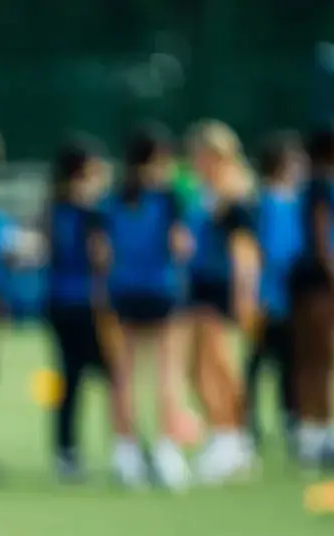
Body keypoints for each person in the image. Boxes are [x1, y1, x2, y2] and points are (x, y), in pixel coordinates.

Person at [100, 124, 197, 489]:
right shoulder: (170, 198)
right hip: (161, 290)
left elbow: (102, 253)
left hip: (123, 291)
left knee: (123, 375)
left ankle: (126, 454)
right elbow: (181, 245)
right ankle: (165, 451)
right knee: (167, 373)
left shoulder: (113, 199)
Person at [182, 120, 259, 484]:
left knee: (218, 362)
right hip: (198, 283)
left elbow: (243, 250)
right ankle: (220, 433)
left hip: (220, 285)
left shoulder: (234, 191)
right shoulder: (203, 191)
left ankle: (233, 438)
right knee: (195, 366)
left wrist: (245, 294)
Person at [41, 136, 116, 481]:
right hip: (86, 302)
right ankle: (123, 445)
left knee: (70, 376)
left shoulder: (53, 208)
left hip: (57, 302)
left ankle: (66, 450)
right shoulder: (92, 213)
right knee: (114, 373)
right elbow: (100, 258)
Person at [289, 127, 334, 471]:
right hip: (319, 281)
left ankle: (313, 434)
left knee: (313, 360)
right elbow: (321, 233)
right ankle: (321, 434)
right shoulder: (322, 186)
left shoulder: (318, 184)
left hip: (309, 280)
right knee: (321, 359)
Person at [246, 131, 305, 450]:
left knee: (287, 364)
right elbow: (269, 252)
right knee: (258, 363)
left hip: (289, 297)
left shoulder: (293, 201)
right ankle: (249, 425)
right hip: (269, 297)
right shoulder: (267, 202)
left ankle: (290, 422)